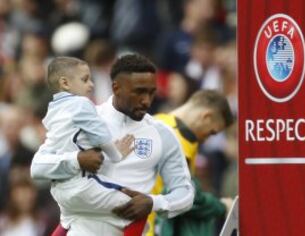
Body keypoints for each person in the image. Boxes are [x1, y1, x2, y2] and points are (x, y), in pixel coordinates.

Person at [31, 53, 194, 235]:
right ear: (116, 88)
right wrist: (77, 159)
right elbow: (39, 166)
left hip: (125, 228)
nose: (146, 100)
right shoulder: (84, 116)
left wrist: (153, 202)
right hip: (78, 225)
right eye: (139, 92)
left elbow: (185, 193)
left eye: (151, 92)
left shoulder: (163, 135)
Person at [147, 89, 234, 236]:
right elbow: (190, 198)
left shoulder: (155, 121)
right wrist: (221, 206)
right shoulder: (179, 141)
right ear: (207, 116)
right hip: (153, 228)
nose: (207, 139)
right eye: (211, 132)